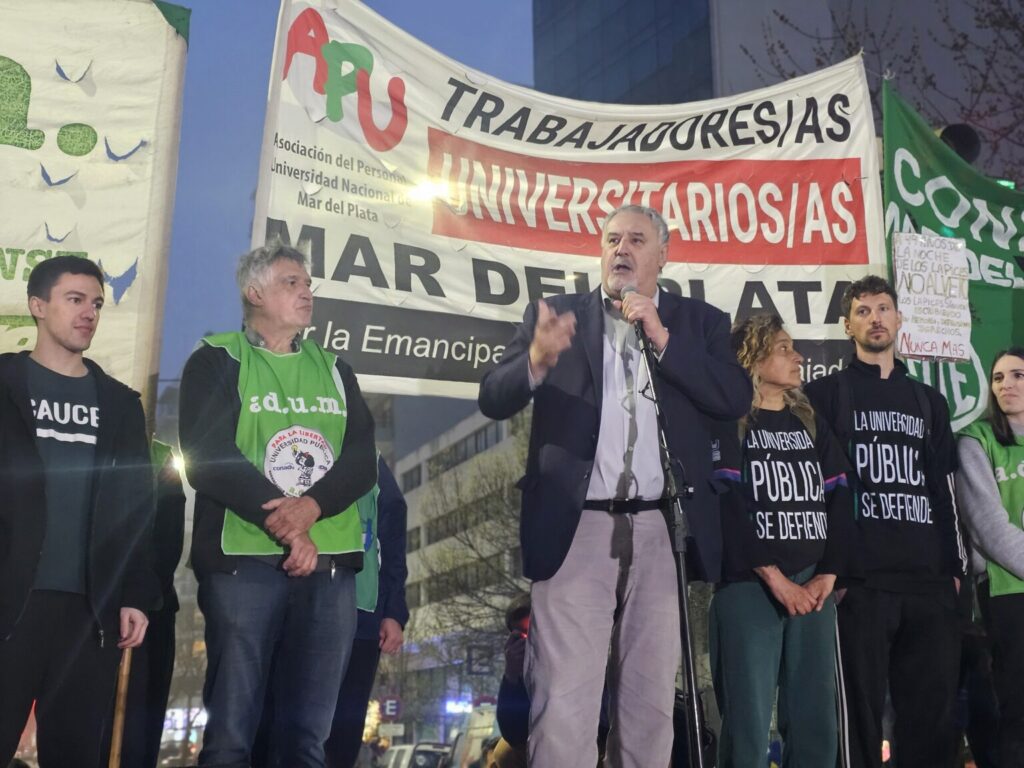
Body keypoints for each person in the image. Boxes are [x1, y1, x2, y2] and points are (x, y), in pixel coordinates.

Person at [478, 205, 751, 767]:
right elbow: (493, 395)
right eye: (611, 238)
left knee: (649, 707)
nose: (620, 248)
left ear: (662, 255)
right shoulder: (555, 316)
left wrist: (663, 337)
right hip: (575, 528)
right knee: (565, 705)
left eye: (636, 239)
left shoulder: (699, 322)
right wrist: (535, 359)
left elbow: (733, 397)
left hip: (661, 527)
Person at [179, 242, 376, 768]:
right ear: (254, 292)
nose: (307, 291)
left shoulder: (335, 368)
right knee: (232, 732)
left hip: (330, 564)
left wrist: (309, 509)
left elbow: (362, 461)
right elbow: (208, 457)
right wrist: (290, 525)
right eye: (292, 282)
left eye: (308, 283)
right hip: (244, 564)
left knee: (308, 737)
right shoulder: (215, 359)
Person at [0, 256, 158, 768]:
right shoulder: (3, 383)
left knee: (75, 754)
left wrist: (134, 593)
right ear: (37, 306)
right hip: (8, 601)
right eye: (75, 300)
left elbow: (136, 507)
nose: (89, 313)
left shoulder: (119, 405)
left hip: (88, 613)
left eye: (96, 303)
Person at [804, 275, 967, 768]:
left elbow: (945, 491)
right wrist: (835, 571)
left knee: (932, 722)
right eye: (863, 310)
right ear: (847, 324)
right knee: (858, 720)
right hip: (862, 584)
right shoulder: (824, 393)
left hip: (928, 584)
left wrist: (953, 569)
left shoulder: (928, 401)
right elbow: (818, 491)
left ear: (898, 319)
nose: (875, 317)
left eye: (883, 308)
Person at [710, 313, 853, 768]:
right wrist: (775, 579)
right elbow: (728, 508)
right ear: (752, 357)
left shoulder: (810, 420)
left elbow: (842, 497)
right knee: (748, 725)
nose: (798, 357)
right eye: (784, 348)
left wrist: (827, 574)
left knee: (816, 722)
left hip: (814, 587)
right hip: (751, 586)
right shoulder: (729, 422)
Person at [956, 347, 1024, 767]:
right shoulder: (975, 441)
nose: (1006, 385)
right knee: (1016, 713)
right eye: (998, 378)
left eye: (1017, 375)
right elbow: (989, 529)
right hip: (1006, 593)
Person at [101, 439, 187, 768]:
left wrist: (138, 594)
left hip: (148, 611)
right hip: (88, 609)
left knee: (137, 732)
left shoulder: (160, 456)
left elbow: (168, 539)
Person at [325, 456, 409, 767]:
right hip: (299, 607)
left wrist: (393, 610)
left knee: (343, 728)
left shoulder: (368, 456)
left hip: (361, 611)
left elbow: (393, 532)